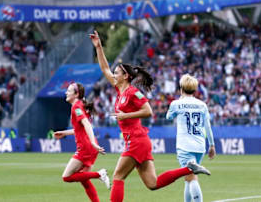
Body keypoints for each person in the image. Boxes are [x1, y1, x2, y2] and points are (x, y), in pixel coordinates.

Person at [90, 31, 211, 202]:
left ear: (126, 76)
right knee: (152, 184)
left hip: (137, 140)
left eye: (117, 73)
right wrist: (98, 47)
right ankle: (188, 169)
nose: (113, 75)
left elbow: (148, 111)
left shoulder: (132, 92)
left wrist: (126, 116)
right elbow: (104, 68)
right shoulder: (120, 89)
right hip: (137, 141)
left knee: (118, 176)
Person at [54, 82, 110, 202]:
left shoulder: (76, 107)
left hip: (86, 147)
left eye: (69, 91)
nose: (66, 92)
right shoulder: (78, 105)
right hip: (90, 147)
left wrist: (93, 144)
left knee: (66, 177)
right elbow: (80, 129)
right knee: (85, 181)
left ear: (76, 94)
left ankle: (99, 174)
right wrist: (64, 133)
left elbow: (87, 124)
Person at [166, 74, 216, 202]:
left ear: (181, 88)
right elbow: (207, 127)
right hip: (200, 146)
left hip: (185, 146)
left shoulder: (177, 104)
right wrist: (211, 145)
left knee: (191, 178)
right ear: (195, 90)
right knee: (188, 178)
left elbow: (168, 117)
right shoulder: (202, 105)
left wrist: (179, 102)